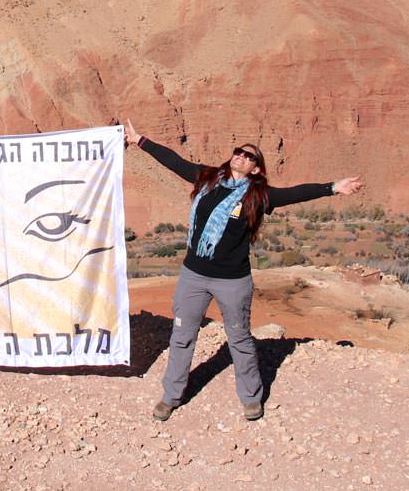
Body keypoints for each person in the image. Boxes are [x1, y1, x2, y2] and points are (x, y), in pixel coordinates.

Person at [123, 120, 362, 422]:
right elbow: (174, 161)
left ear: (256, 169)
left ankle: (251, 397)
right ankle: (171, 395)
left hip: (232, 281)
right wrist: (139, 140)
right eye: (239, 152)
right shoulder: (207, 178)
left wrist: (332, 188)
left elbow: (296, 193)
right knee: (182, 336)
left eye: (250, 157)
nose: (241, 157)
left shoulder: (258, 196)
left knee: (239, 338)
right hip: (193, 275)